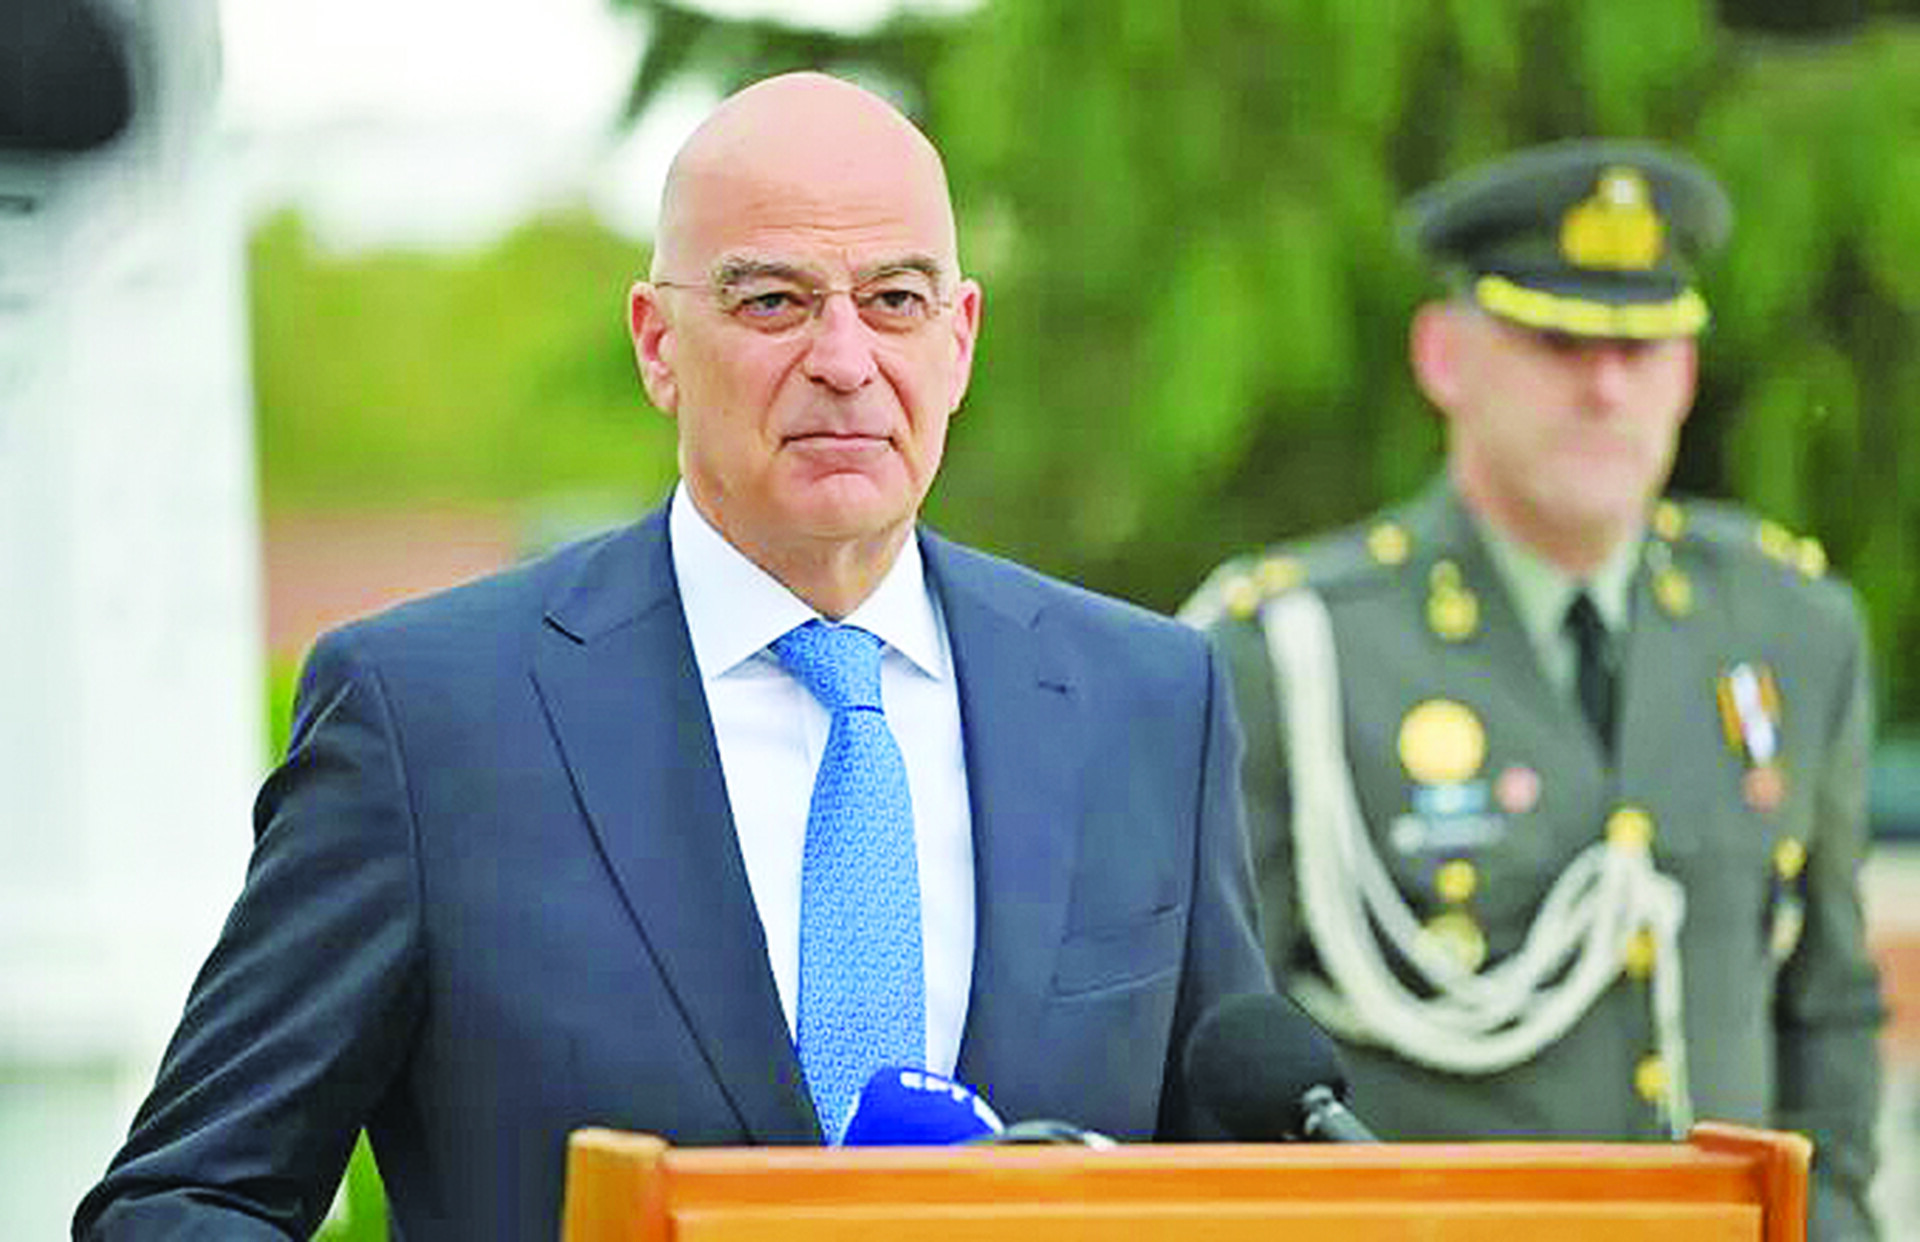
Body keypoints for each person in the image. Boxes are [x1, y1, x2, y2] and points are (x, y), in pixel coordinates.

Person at [74, 71, 1270, 1240]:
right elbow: (183, 1201)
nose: (846, 359)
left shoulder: (1150, 703)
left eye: (895, 300)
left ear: (958, 341)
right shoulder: (429, 723)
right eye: (775, 302)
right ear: (658, 344)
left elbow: (1254, 1186)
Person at [1182, 140, 1886, 1239]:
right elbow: (1216, 1053)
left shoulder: (1791, 628)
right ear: (1442, 357)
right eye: (1556, 342)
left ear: (1685, 375)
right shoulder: (1290, 652)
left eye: (1642, 347)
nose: (1605, 388)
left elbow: (1827, 1012)